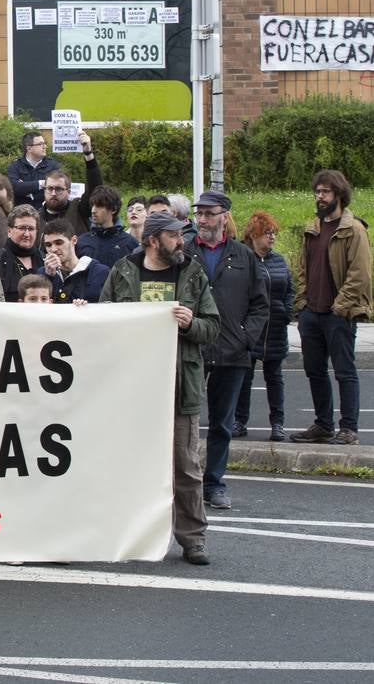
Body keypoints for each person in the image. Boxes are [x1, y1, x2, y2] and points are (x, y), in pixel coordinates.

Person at [99, 211, 220, 566]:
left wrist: (191, 323)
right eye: (173, 236)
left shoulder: (192, 273)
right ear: (152, 240)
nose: (181, 241)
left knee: (185, 466)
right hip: (134, 388)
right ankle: (128, 534)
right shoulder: (122, 271)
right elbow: (103, 319)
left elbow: (213, 327)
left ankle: (193, 539)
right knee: (130, 464)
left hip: (180, 386)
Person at [186, 190, 267, 511]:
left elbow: (261, 304)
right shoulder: (185, 253)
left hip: (232, 351)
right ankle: (184, 480)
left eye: (209, 213)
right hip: (191, 347)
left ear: (224, 216)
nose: (202, 219)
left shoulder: (243, 256)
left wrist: (247, 337)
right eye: (199, 213)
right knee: (184, 420)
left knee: (222, 422)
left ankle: (214, 483)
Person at [290, 170, 371, 446]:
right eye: (318, 191)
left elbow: (359, 275)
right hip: (311, 313)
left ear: (339, 194)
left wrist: (339, 308)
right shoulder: (312, 228)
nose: (319, 196)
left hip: (339, 316)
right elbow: (302, 269)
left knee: (344, 371)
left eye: (325, 192)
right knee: (314, 371)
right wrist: (303, 305)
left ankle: (348, 428)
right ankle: (323, 425)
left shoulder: (354, 230)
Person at [236, 211, 292, 442]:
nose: (272, 238)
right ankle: (240, 420)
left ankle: (278, 423)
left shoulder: (278, 261)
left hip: (276, 328)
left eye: (273, 233)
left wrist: (286, 311)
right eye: (267, 233)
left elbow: (290, 290)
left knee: (275, 377)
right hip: (252, 328)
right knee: (244, 377)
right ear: (253, 235)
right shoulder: (243, 259)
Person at [0, 206, 45, 303]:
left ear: (37, 231)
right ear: (9, 231)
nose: (27, 234)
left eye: (31, 229)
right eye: (22, 228)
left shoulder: (44, 260)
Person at [41, 219, 111, 304]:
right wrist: (49, 277)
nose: (53, 249)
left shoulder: (99, 272)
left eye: (59, 243)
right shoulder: (42, 273)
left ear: (74, 240)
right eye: (48, 245)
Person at [6, 130, 62, 211]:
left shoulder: (53, 166)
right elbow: (14, 188)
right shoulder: (16, 166)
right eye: (40, 144)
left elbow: (57, 188)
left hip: (46, 213)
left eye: (44, 143)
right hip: (21, 213)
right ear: (29, 148)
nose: (45, 146)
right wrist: (41, 184)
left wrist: (27, 190)